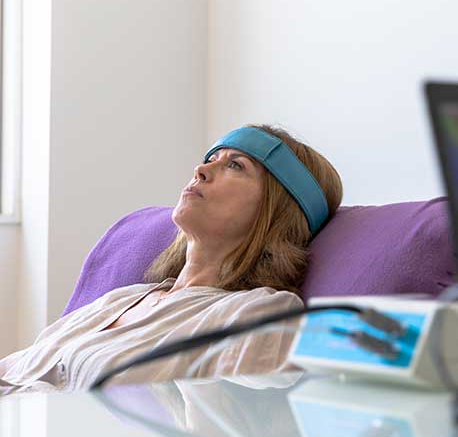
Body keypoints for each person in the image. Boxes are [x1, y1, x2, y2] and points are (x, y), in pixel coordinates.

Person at [0, 125, 343, 395]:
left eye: (235, 165)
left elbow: (230, 426)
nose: (201, 170)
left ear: (276, 212)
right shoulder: (120, 300)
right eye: (211, 159)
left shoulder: (260, 315)